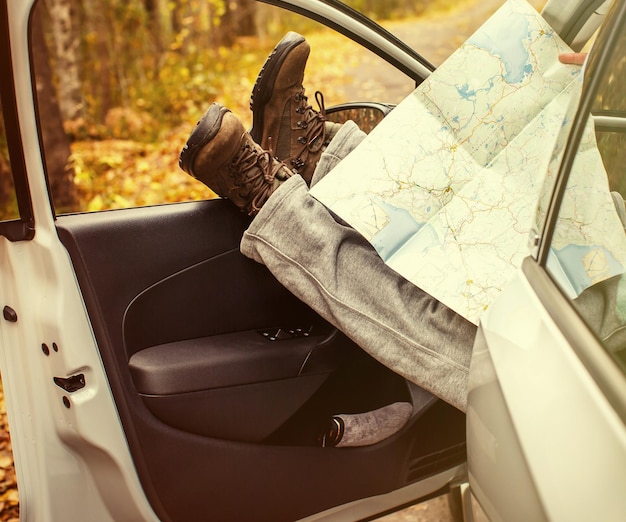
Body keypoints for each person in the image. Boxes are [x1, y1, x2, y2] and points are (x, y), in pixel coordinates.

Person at [179, 32, 587, 416]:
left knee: (449, 328)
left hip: (595, 376)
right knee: (477, 204)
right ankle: (316, 160)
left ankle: (269, 199)